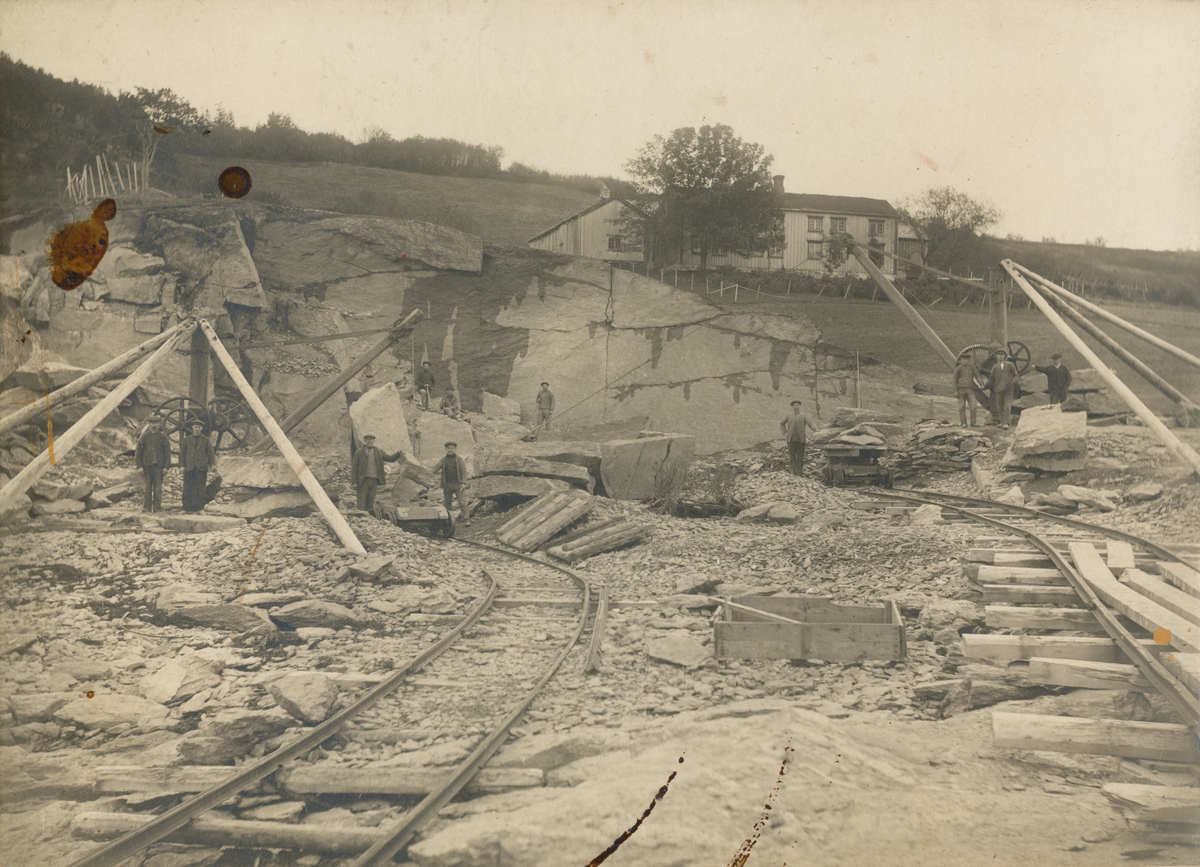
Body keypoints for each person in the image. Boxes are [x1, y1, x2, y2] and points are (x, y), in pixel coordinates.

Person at [351, 434, 404, 512]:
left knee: (371, 500)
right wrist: (354, 482)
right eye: (368, 439)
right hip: (363, 480)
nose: (369, 441)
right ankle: (361, 517)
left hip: (374, 479)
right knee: (361, 499)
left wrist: (398, 454)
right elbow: (354, 467)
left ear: (374, 441)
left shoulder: (379, 451)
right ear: (364, 441)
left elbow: (390, 458)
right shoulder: (359, 452)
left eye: (371, 439)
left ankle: (369, 518)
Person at [134, 418, 171, 513]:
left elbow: (167, 454)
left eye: (156, 423)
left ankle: (157, 508)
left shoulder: (163, 438)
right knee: (147, 488)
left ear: (159, 424)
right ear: (148, 424)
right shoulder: (144, 437)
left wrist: (166, 467)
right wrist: (139, 467)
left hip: (159, 467)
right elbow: (138, 453)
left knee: (158, 489)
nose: (154, 425)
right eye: (152, 423)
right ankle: (146, 508)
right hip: (147, 466)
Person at [180, 421, 216, 513]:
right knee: (187, 487)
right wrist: (182, 466)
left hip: (201, 467)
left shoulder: (206, 440)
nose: (197, 429)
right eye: (195, 427)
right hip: (189, 467)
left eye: (199, 427)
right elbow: (182, 454)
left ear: (202, 429)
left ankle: (200, 508)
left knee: (201, 488)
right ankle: (185, 508)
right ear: (192, 428)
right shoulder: (186, 440)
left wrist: (212, 465)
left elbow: (211, 454)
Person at [430, 441, 470, 521]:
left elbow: (464, 472)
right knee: (447, 503)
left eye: (452, 448)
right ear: (446, 449)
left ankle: (466, 519)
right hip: (447, 485)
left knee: (462, 502)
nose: (450, 450)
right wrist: (426, 473)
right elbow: (434, 469)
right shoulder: (443, 460)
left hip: (458, 485)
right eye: (449, 448)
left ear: (455, 449)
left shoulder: (459, 460)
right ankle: (449, 520)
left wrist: (463, 483)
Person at [780, 399, 816, 475]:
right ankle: (792, 474)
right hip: (791, 439)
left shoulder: (804, 416)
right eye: (794, 405)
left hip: (801, 440)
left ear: (800, 406)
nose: (796, 407)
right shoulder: (788, 415)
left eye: (797, 405)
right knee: (792, 458)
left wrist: (816, 430)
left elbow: (810, 423)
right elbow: (782, 423)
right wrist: (784, 433)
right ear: (792, 407)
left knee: (800, 458)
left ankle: (799, 474)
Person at [986, 348, 1020, 429]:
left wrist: (1013, 381)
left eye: (1002, 355)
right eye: (998, 355)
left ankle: (1006, 423)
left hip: (1008, 390)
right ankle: (1002, 422)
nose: (1000, 356)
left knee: (1007, 406)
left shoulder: (1010, 365)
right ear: (997, 356)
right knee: (999, 407)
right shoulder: (995, 367)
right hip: (998, 390)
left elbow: (1016, 375)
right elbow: (991, 379)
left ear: (1004, 356)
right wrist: (984, 386)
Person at [953, 355, 979, 426]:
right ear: (961, 360)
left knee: (973, 406)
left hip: (970, 389)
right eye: (964, 359)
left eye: (967, 359)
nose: (965, 361)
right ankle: (963, 422)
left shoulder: (972, 368)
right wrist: (955, 391)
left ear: (969, 360)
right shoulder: (958, 369)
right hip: (960, 390)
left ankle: (973, 423)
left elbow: (977, 375)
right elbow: (954, 380)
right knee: (961, 406)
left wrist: (981, 384)